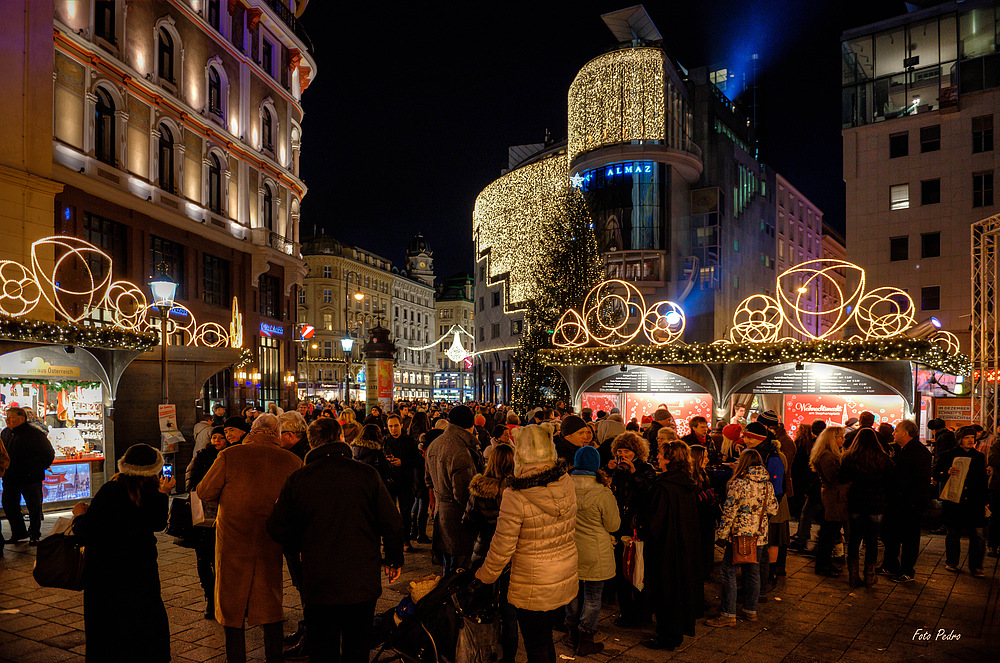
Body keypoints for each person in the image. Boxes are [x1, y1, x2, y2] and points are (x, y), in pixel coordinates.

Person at [267, 418, 403, 663]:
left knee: (323, 647)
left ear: (311, 443)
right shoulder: (366, 475)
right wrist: (393, 559)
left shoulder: (299, 479)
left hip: (319, 579)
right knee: (357, 646)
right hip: (361, 577)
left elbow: (277, 526)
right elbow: (391, 522)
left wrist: (297, 546)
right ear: (341, 438)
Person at [197, 414, 303, 663]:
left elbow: (204, 490)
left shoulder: (230, 455)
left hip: (233, 538)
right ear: (277, 434)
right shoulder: (293, 461)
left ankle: (237, 658)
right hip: (270, 539)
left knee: (230, 602)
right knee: (270, 600)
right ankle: (273, 657)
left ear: (251, 431)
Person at [475, 424, 578, 663]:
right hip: (562, 571)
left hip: (532, 579)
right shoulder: (565, 482)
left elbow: (502, 545)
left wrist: (485, 576)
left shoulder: (516, 494)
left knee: (535, 641)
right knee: (544, 638)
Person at [71, 444, 174, 662]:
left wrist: (78, 515)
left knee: (108, 627)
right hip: (141, 568)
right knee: (144, 619)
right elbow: (157, 523)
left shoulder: (111, 490)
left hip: (105, 571)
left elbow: (85, 531)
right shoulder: (153, 491)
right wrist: (164, 493)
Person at [707, 448, 778, 627]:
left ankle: (728, 613)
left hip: (739, 535)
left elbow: (729, 512)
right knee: (753, 573)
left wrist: (721, 535)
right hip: (759, 536)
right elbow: (773, 509)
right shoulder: (767, 484)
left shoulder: (738, 483)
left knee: (728, 572)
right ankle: (750, 610)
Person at [641, 441, 701, 651]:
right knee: (679, 590)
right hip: (684, 547)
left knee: (665, 592)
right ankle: (674, 632)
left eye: (660, 454)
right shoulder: (686, 484)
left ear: (669, 458)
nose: (657, 457)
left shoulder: (663, 487)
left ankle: (666, 635)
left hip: (664, 549)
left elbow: (655, 522)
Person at [462, 444, 518, 663]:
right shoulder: (519, 491)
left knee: (480, 608)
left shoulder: (479, 490)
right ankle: (509, 657)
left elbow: (467, 522)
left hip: (484, 552)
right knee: (510, 613)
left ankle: (482, 652)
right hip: (512, 557)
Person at [564, 446, 620, 655]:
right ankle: (586, 638)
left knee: (571, 592)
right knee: (594, 595)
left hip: (568, 548)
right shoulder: (602, 492)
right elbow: (613, 525)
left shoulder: (563, 488)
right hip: (596, 551)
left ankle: (571, 633)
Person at [605, 431, 656, 627]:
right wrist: (607, 472)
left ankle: (643, 613)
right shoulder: (618, 470)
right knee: (622, 572)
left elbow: (648, 495)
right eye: (620, 451)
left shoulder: (646, 469)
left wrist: (635, 474)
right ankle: (626, 612)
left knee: (639, 571)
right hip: (621, 524)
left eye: (627, 451)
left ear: (635, 452)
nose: (623, 455)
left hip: (638, 526)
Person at [425, 404, 481, 574]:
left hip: (441, 515)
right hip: (459, 520)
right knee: (459, 569)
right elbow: (463, 493)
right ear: (470, 426)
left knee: (447, 566)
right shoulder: (460, 451)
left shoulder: (435, 444)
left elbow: (428, 480)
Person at [839, 428, 894, 588]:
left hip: (856, 502)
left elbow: (842, 478)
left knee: (854, 539)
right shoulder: (884, 458)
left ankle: (853, 576)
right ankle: (870, 575)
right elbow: (891, 482)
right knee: (872, 540)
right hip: (876, 504)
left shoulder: (850, 457)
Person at [879, 419, 932, 583]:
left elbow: (917, 480)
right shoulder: (897, 450)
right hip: (895, 502)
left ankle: (907, 570)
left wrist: (915, 502)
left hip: (910, 503)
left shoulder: (919, 453)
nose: (893, 433)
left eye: (896, 431)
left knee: (909, 538)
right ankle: (890, 565)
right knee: (890, 535)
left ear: (906, 433)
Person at [186, 425, 230, 618]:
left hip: (225, 517)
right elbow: (190, 481)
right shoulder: (202, 457)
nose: (217, 441)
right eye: (215, 438)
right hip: (204, 518)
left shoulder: (231, 456)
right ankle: (210, 600)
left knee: (223, 561)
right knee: (204, 560)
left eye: (221, 438)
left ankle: (225, 599)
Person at [934, 426, 989, 576]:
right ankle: (952, 562)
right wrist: (947, 472)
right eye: (967, 437)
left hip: (974, 501)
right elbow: (936, 474)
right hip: (954, 501)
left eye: (972, 437)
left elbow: (983, 480)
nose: (971, 440)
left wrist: (986, 500)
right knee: (953, 532)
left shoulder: (978, 457)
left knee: (978, 534)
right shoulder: (948, 455)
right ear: (960, 440)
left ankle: (976, 566)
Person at [1, 406, 55, 545]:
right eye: (7, 418)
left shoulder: (35, 434)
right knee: (9, 504)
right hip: (10, 477)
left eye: (11, 417)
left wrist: (37, 468)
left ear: (21, 419)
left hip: (30, 477)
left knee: (34, 507)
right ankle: (19, 532)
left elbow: (48, 454)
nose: (8, 420)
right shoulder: (6, 433)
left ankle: (34, 534)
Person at [810, 426, 848, 578]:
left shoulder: (831, 454)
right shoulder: (827, 456)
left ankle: (826, 563)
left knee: (831, 532)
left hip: (835, 496)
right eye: (840, 437)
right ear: (832, 439)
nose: (843, 440)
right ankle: (822, 564)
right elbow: (834, 477)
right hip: (833, 497)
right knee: (829, 532)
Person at [384, 413, 419, 553]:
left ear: (401, 425)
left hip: (405, 481)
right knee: (390, 513)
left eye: (396, 426)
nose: (393, 429)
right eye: (391, 426)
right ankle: (392, 541)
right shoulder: (385, 441)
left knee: (405, 513)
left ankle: (406, 540)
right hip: (390, 481)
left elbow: (417, 460)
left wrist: (402, 462)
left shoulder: (409, 441)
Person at [690, 445, 720, 584]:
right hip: (699, 519)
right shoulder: (691, 477)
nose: (707, 459)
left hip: (707, 518)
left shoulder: (703, 474)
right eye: (705, 456)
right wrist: (707, 495)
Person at [790, 424, 821, 552]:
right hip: (808, 480)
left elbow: (795, 463)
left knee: (804, 511)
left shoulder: (798, 444)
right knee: (805, 510)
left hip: (800, 480)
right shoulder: (813, 445)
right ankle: (803, 534)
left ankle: (802, 536)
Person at [353, 424, 393, 488]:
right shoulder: (377, 451)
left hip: (358, 484)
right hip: (373, 485)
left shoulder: (354, 449)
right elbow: (386, 471)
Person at [989, 426, 1000, 558]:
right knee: (995, 517)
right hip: (997, 487)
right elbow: (991, 460)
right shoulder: (997, 446)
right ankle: (992, 545)